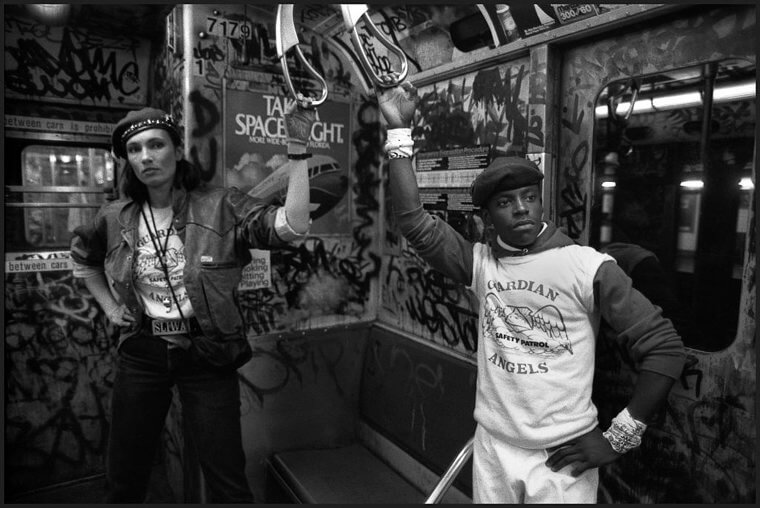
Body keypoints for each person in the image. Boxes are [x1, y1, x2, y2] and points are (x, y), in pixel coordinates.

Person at [376, 78, 686, 504]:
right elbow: (412, 220)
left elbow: (666, 349)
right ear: (486, 217)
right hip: (494, 445)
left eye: (529, 198)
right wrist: (398, 132)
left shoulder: (587, 266)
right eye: (505, 203)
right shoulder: (480, 264)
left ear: (541, 204)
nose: (521, 208)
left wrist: (619, 438)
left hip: (562, 455)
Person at [69, 98, 316, 503]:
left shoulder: (222, 205)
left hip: (207, 352)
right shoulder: (114, 217)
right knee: (125, 474)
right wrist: (110, 307)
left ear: (177, 149)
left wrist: (297, 149)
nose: (146, 156)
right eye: (135, 150)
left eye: (156, 144)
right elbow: (82, 259)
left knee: (226, 476)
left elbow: (292, 227)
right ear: (127, 161)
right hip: (142, 352)